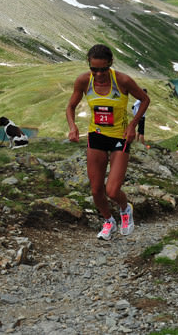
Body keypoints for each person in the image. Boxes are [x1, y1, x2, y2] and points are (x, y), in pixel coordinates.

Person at [66, 43, 150, 240]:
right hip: (96, 135)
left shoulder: (122, 80)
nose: (99, 74)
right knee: (96, 190)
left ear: (110, 64)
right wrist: (73, 127)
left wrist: (133, 126)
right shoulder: (84, 81)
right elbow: (70, 107)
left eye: (103, 69)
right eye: (94, 69)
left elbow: (144, 100)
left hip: (120, 137)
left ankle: (125, 208)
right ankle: (108, 221)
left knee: (112, 190)